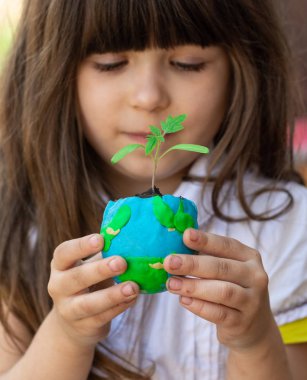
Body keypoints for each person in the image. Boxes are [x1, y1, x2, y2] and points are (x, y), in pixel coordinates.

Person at [0, 0, 306, 379]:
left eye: (187, 63)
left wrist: (254, 340)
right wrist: (67, 334)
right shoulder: (18, 227)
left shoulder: (289, 227)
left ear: (241, 65)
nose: (148, 98)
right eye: (110, 63)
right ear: (54, 71)